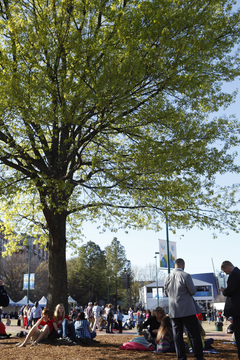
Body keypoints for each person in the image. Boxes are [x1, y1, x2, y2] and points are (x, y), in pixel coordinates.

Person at [164, 258, 205, 360]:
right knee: (194, 333)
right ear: (183, 265)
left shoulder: (167, 277)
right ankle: (199, 356)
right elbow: (193, 291)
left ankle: (181, 357)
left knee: (177, 336)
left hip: (174, 311)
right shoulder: (186, 276)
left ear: (175, 265)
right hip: (187, 310)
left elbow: (166, 293)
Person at [220, 260, 240, 359]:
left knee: (238, 333)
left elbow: (231, 290)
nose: (225, 273)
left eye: (225, 271)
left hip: (237, 309)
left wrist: (224, 291)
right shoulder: (238, 272)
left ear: (226, 267)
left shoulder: (234, 274)